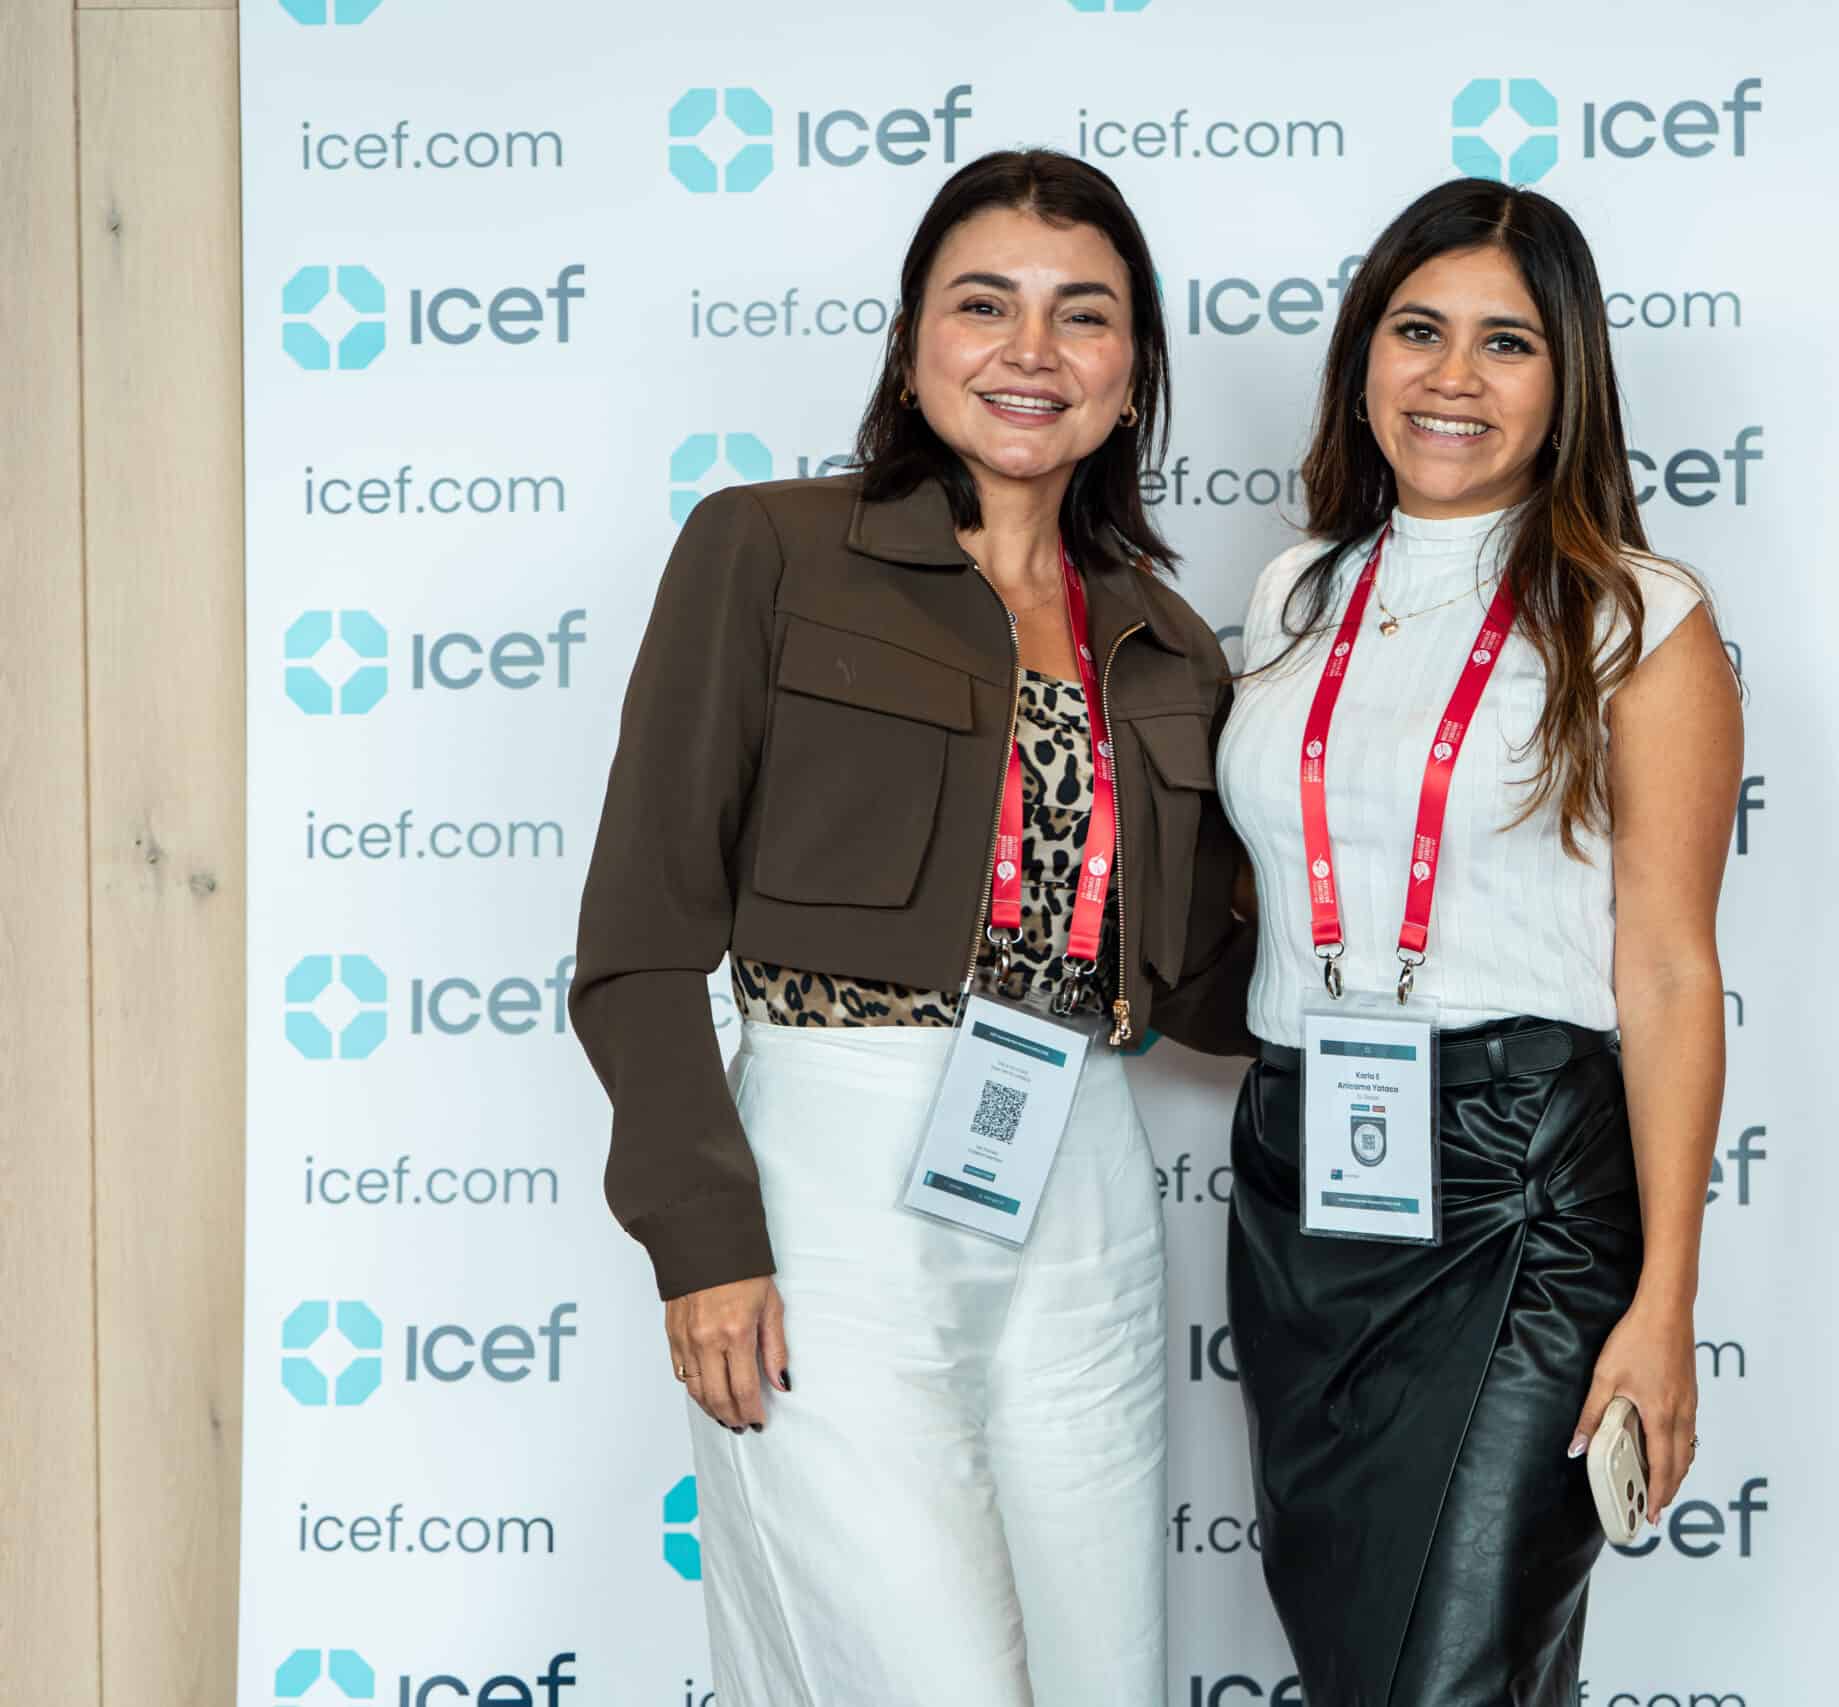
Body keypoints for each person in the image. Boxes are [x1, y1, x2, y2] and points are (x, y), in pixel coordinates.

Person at [569, 148, 1252, 1707]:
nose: (1033, 350)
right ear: (911, 340)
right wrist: (703, 1239)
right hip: (833, 1171)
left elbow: (1203, 986)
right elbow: (639, 940)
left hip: (1081, 1166)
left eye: (1084, 314)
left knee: (1102, 1673)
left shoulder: (1164, 638)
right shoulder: (766, 549)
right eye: (984, 304)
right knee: (921, 1673)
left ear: (1132, 373)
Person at [1215, 177, 1743, 1706]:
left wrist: (1666, 1304)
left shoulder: (1639, 615)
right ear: (1361, 359)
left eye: (1507, 343)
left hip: (1526, 1190)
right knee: (1367, 1669)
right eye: (1418, 331)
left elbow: (1669, 971)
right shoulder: (1297, 591)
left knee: (1447, 1679)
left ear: (1568, 383)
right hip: (1303, 1180)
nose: (1453, 376)